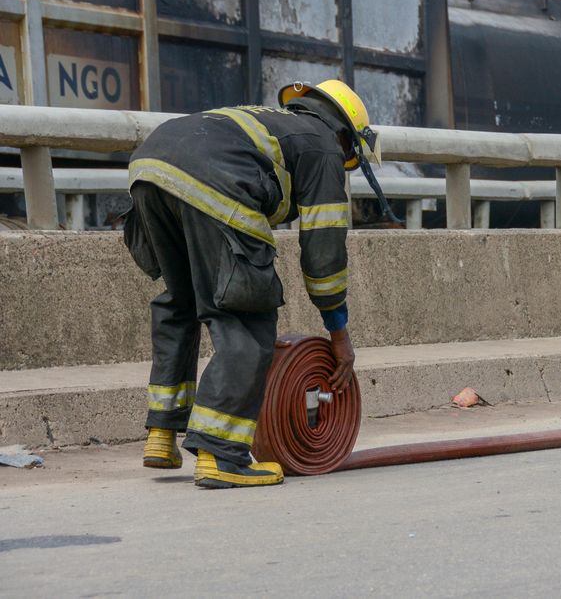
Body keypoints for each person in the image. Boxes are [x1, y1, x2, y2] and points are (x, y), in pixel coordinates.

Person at [123, 80, 377, 488]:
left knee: (181, 303)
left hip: (149, 168)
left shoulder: (270, 121)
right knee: (245, 314)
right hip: (213, 180)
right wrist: (339, 332)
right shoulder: (324, 146)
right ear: (347, 136)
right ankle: (222, 455)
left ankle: (162, 433)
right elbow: (324, 254)